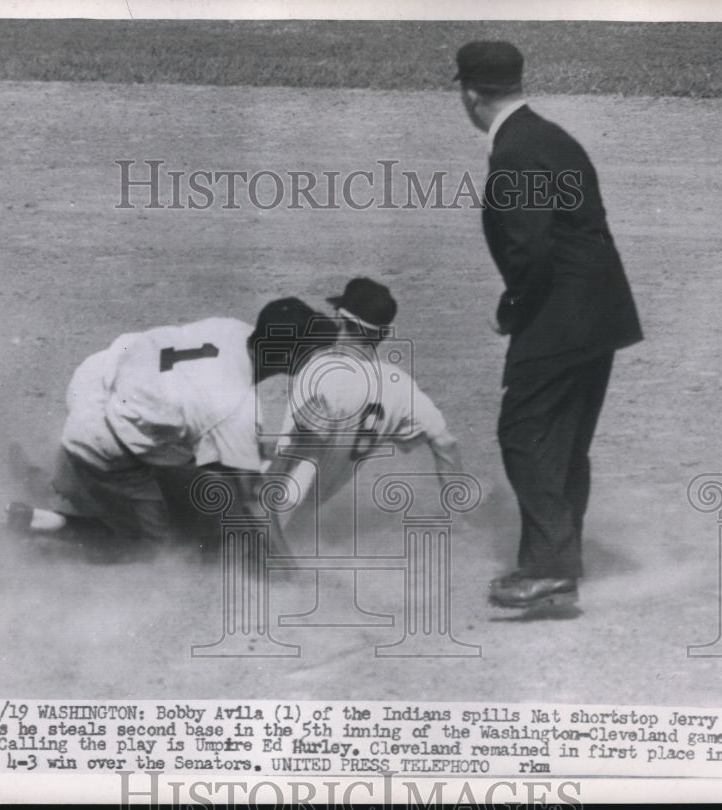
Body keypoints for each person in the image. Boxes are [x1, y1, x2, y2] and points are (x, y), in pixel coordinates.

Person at [455, 41, 643, 609]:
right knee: (563, 441)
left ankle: (548, 566)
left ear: (468, 94)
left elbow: (531, 249)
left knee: (525, 433)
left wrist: (512, 307)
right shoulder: (550, 135)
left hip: (559, 314)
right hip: (598, 311)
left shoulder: (514, 151)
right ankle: (560, 560)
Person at [6, 298, 337, 550]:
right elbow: (252, 506)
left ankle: (44, 480)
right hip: (103, 435)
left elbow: (224, 434)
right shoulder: (233, 405)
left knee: (180, 484)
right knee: (156, 545)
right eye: (307, 350)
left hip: (96, 376)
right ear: (286, 356)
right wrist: (287, 572)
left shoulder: (233, 329)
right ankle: (45, 522)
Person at [267, 277, 463, 526]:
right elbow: (445, 442)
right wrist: (458, 517)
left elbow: (299, 444)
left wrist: (259, 508)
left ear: (340, 318)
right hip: (301, 523)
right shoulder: (400, 387)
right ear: (383, 334)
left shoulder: (321, 369)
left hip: (269, 512)